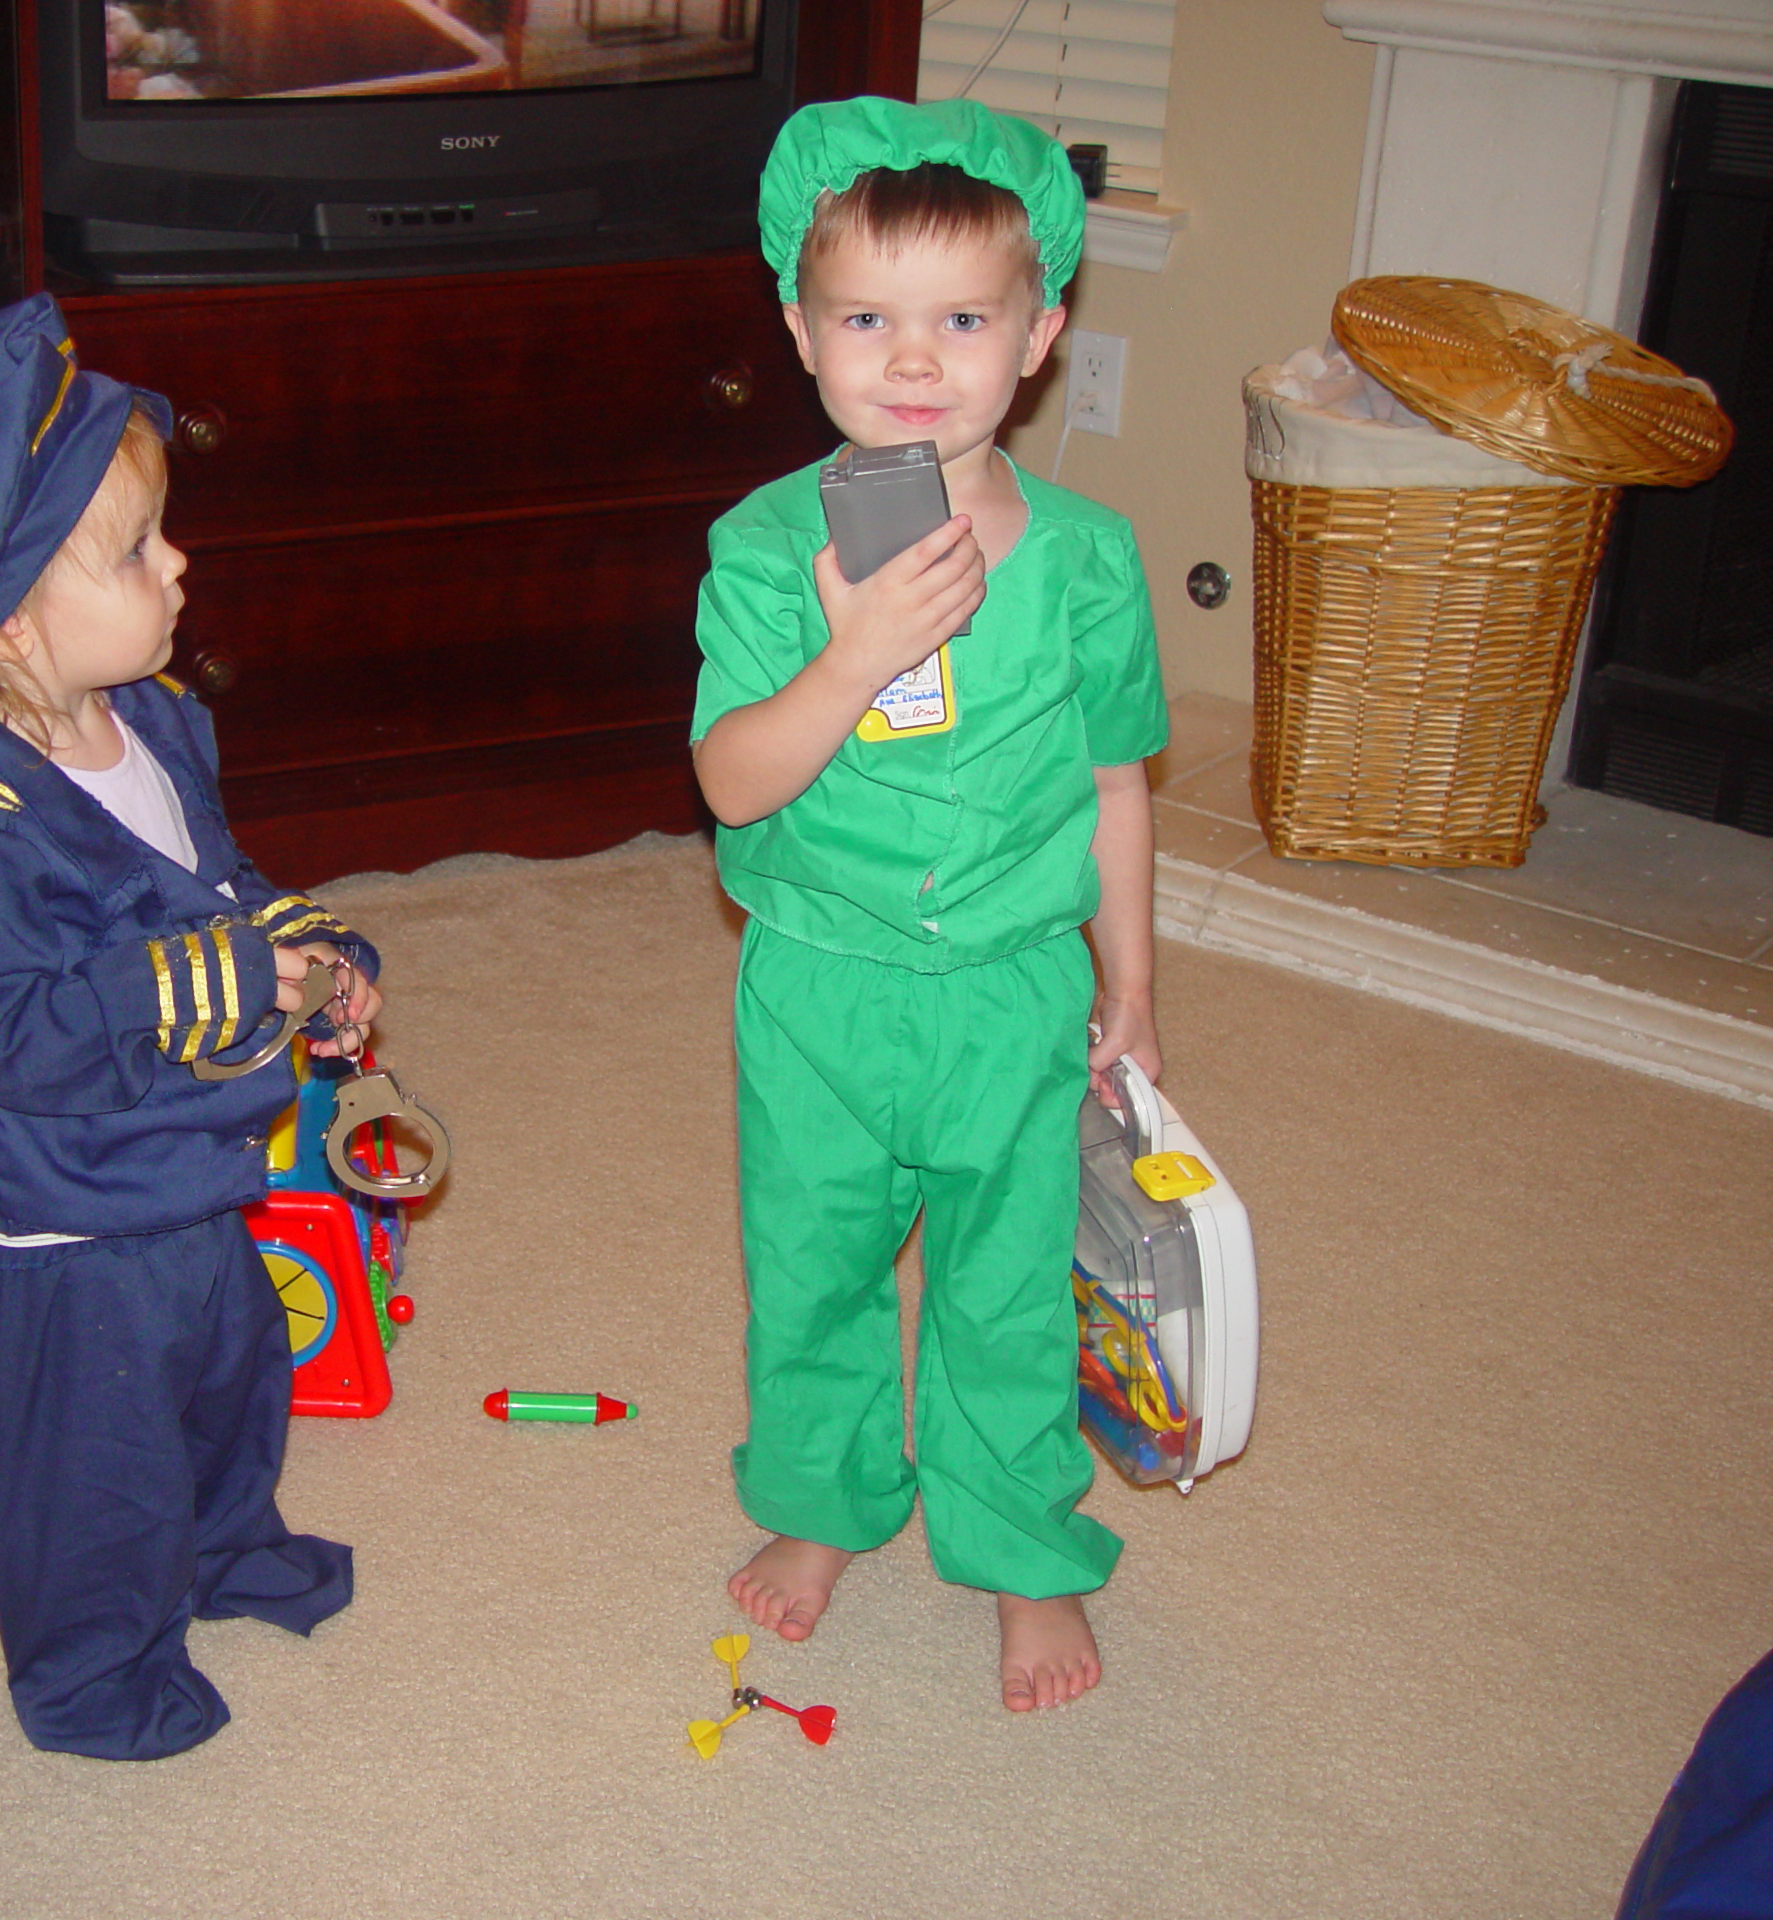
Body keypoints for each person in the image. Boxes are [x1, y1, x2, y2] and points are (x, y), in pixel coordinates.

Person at [0, 294, 382, 1761]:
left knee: (234, 1371)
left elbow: (220, 883)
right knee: (93, 1467)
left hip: (182, 1168)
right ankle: (89, 1676)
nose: (176, 563)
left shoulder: (159, 719)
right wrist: (218, 980)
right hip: (61, 1217)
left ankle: (227, 1550)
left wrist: (308, 950)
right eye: (133, 551)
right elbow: (8, 1032)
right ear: (7, 616)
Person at [691, 97, 1168, 1712]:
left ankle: (1021, 1546)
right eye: (868, 318)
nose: (914, 358)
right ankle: (826, 1500)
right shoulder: (767, 551)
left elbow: (1115, 784)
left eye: (963, 317)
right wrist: (854, 654)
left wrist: (1136, 992)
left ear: (1038, 335)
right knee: (812, 1263)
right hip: (819, 987)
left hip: (1012, 994)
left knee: (1007, 1279)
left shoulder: (1091, 561)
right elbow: (735, 784)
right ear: (799, 329)